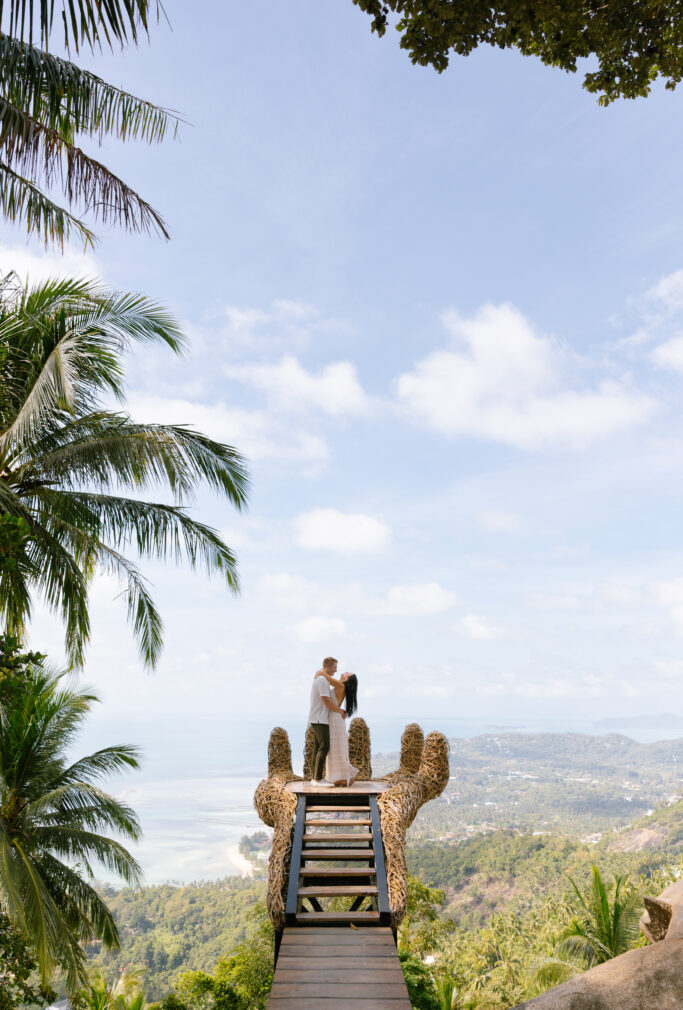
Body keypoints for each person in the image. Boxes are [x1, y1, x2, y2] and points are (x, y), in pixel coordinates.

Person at [316, 659, 359, 787]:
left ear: (347, 679)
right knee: (335, 749)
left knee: (335, 748)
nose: (343, 672)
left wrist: (320, 671)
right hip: (335, 717)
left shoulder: (340, 686)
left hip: (334, 719)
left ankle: (345, 776)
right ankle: (340, 776)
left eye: (347, 673)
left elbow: (326, 678)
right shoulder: (340, 686)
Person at [307, 656, 347, 786]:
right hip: (320, 718)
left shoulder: (321, 678)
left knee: (318, 747)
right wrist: (340, 711)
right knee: (324, 746)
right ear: (328, 667)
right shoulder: (322, 680)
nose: (336, 670)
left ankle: (315, 778)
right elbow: (326, 700)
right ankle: (318, 779)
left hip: (317, 717)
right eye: (334, 667)